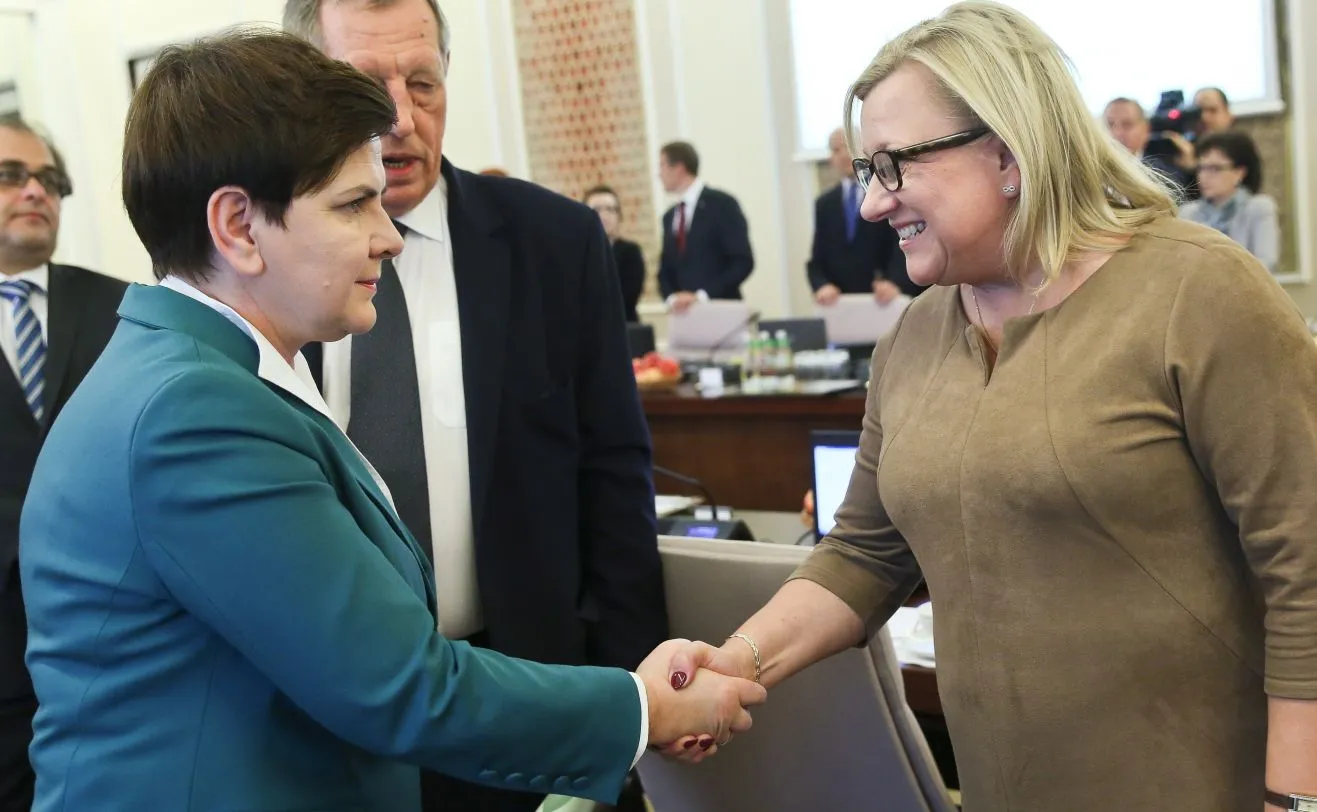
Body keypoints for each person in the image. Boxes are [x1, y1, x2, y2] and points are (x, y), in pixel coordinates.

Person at [18, 30, 763, 812]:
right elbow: (398, 685)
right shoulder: (193, 413)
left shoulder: (205, 373)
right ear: (238, 226)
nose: (385, 236)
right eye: (352, 204)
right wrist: (641, 709)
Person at [661, 3, 1317, 810]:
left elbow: (1305, 565)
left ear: (1006, 153)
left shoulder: (1198, 291)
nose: (872, 204)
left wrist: (1296, 800)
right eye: (867, 173)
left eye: (894, 166)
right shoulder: (914, 337)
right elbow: (865, 553)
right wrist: (737, 661)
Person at [283, 3, 670, 807]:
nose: (400, 117)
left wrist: (634, 706)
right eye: (364, 88)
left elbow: (613, 477)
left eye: (422, 82)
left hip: (525, 700)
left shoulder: (554, 245)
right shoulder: (271, 261)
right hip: (326, 719)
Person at [0, 113, 125, 810]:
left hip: (113, 648)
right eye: (10, 175)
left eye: (50, 180)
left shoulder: (123, 308)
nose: (35, 192)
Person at [808, 127, 921, 306]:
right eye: (836, 150)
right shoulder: (824, 204)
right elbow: (817, 258)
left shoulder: (889, 190)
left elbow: (903, 239)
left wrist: (896, 282)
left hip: (887, 299)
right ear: (830, 158)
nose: (844, 155)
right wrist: (821, 285)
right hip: (842, 304)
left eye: (848, 147)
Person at [656, 141, 753, 309]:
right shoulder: (669, 216)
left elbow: (742, 261)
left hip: (721, 310)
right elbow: (665, 268)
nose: (659, 174)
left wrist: (702, 296)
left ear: (679, 168)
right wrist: (671, 298)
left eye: (662, 166)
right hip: (683, 315)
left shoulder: (722, 204)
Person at [1180, 129, 1280, 271]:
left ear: (1239, 173)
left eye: (1215, 168)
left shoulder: (1258, 207)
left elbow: (1267, 262)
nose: (1204, 176)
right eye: (1201, 168)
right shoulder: (1188, 213)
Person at [1103, 96, 1195, 194]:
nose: (1117, 133)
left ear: (1145, 129)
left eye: (1127, 124)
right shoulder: (1091, 171)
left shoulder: (1165, 177)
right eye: (1110, 124)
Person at [584, 184, 645, 322]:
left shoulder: (631, 251)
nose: (604, 215)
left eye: (610, 209)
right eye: (596, 209)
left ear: (619, 216)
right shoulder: (577, 254)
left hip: (624, 326)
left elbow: (627, 297)